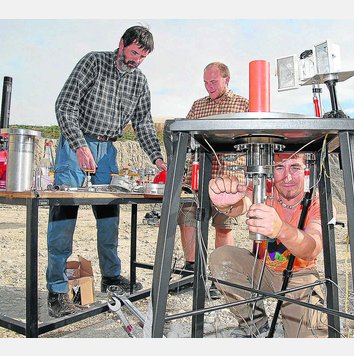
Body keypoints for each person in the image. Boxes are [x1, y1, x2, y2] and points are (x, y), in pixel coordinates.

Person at [46, 25, 167, 318]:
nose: (136, 60)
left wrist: (158, 159)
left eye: (142, 57)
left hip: (108, 150)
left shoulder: (139, 81)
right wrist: (78, 145)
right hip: (76, 144)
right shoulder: (94, 62)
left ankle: (111, 277)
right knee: (64, 217)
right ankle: (58, 291)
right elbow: (65, 105)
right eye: (134, 52)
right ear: (121, 44)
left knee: (110, 218)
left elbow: (143, 124)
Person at [208, 152, 329, 337]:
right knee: (221, 257)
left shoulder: (318, 201)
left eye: (295, 167)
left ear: (307, 170)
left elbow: (312, 248)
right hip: (263, 269)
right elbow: (243, 204)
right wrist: (226, 205)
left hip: (299, 276)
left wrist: (281, 229)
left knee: (306, 340)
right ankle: (255, 324)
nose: (287, 176)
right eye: (280, 167)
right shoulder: (265, 190)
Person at [169, 62, 249, 298]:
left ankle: (219, 275)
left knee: (223, 226)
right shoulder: (198, 105)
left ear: (227, 79)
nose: (209, 87)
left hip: (228, 178)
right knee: (188, 218)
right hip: (197, 175)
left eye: (213, 82)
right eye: (205, 82)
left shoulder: (242, 104)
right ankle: (191, 271)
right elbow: (185, 139)